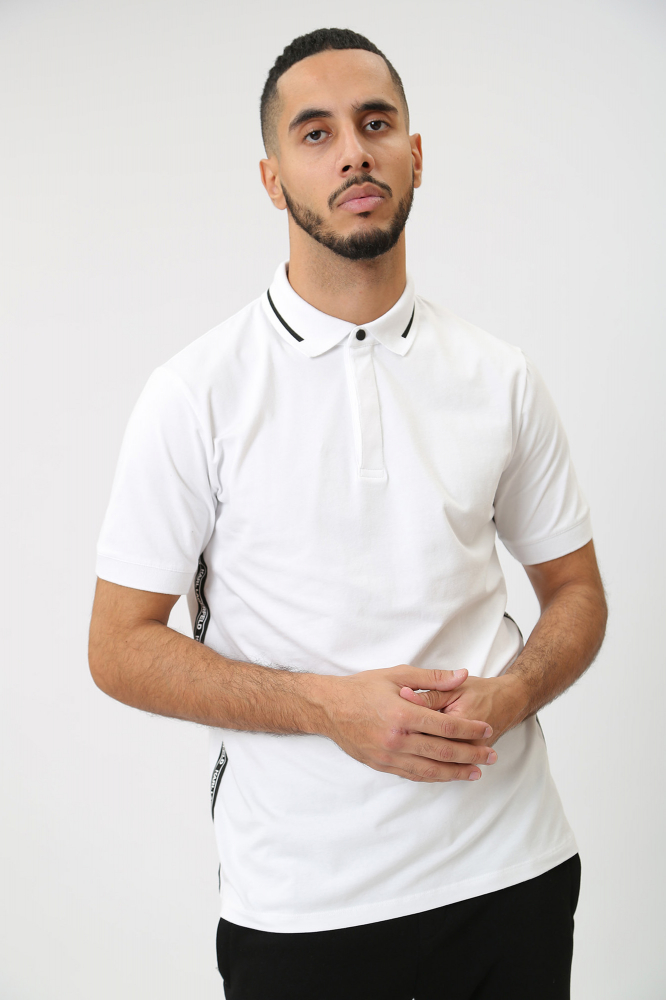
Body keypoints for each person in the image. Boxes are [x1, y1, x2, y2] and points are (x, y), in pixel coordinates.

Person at [89, 28, 607, 1000]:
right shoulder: (196, 393)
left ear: (416, 153)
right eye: (315, 133)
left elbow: (576, 592)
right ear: (272, 178)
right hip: (303, 906)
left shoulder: (499, 376)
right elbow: (117, 646)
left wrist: (509, 696)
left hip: (513, 874)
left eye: (376, 124)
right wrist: (328, 709)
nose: (354, 153)